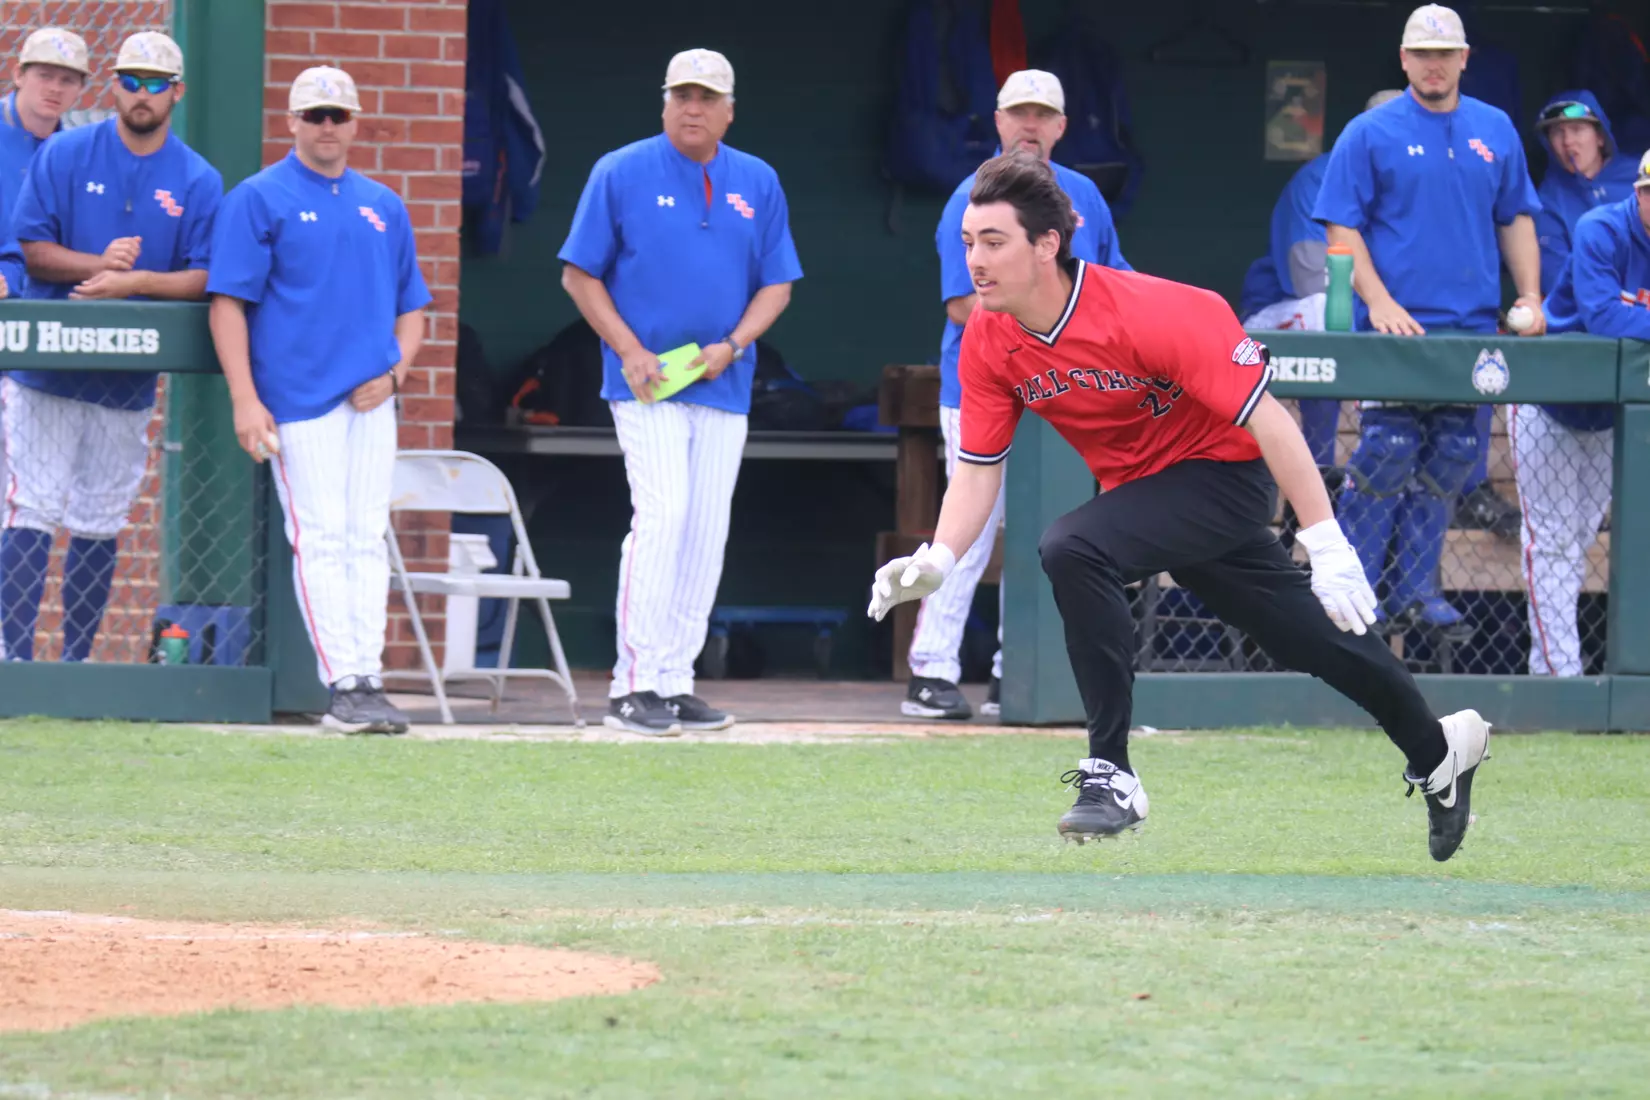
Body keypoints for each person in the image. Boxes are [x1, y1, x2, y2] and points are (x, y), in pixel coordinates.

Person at [868, 153, 1490, 862]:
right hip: (1146, 495)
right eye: (968, 243)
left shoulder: (1157, 308)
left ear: (1048, 243)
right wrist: (940, 559)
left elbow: (1273, 423)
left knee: (1073, 547)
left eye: (994, 241)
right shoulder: (987, 335)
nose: (975, 260)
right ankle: (1441, 750)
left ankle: (1112, 775)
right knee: (1308, 640)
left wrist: (1326, 541)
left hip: (1221, 479)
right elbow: (978, 473)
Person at [559, 49, 802, 735]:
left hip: (724, 379)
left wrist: (735, 344)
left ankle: (674, 679)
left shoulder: (756, 178)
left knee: (705, 529)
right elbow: (580, 274)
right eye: (682, 95)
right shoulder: (621, 169)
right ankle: (631, 684)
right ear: (664, 102)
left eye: (707, 97)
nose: (693, 108)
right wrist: (629, 350)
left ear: (728, 110)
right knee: (662, 516)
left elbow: (777, 283)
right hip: (646, 379)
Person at [208, 66, 430, 733]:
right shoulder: (259, 196)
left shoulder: (383, 203)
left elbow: (413, 309)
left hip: (371, 400)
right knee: (322, 539)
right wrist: (245, 400)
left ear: (356, 122)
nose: (327, 126)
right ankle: (344, 684)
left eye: (338, 115)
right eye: (315, 115)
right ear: (292, 122)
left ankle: (369, 676)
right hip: (298, 399)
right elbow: (228, 305)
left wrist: (395, 376)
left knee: (366, 538)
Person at [1312, 4, 1543, 640]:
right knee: (1387, 450)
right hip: (1393, 328)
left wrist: (1531, 294)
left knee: (1454, 455)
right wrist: (1380, 302)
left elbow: (1516, 216)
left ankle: (1416, 591)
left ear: (1464, 58)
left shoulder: (1494, 128)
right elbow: (1341, 224)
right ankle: (1356, 598)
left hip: (1470, 331)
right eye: (1422, 53)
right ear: (1405, 58)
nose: (1433, 64)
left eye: (1445, 54)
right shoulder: (1371, 131)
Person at [907, 68, 1130, 721]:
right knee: (971, 532)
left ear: (1061, 126)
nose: (1029, 126)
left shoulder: (1085, 192)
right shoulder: (972, 195)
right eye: (1018, 113)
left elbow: (1117, 286)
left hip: (1067, 392)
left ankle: (1017, 671)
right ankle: (931, 670)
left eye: (1043, 114)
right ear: (999, 121)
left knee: (1048, 534)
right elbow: (960, 304)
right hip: (986, 387)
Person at [0, 32, 220, 664]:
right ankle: (15, 662)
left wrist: (136, 282)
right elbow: (32, 248)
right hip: (46, 366)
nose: (142, 93)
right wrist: (97, 265)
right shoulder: (66, 153)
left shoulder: (198, 177)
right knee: (31, 510)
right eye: (132, 79)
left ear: (176, 92)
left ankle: (77, 666)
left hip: (126, 375)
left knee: (100, 517)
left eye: (156, 83)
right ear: (114, 85)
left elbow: (207, 275)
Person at [1513, 152, 1650, 677]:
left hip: (1608, 415)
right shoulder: (1602, 228)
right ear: (1637, 192)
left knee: (1577, 541)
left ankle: (1556, 668)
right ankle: (1556, 675)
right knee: (1551, 542)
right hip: (1548, 398)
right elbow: (1603, 315)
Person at [1241, 89, 1403, 469]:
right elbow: (1308, 278)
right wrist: (1380, 303)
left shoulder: (1415, 187)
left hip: (1362, 314)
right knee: (1325, 314)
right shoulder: (1322, 177)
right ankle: (1321, 466)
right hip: (1275, 315)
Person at [0, 27, 90, 652]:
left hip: (40, 336)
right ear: (18, 73)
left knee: (25, 496)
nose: (55, 87)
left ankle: (16, 651)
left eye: (68, 79)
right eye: (45, 75)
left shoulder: (76, 151)